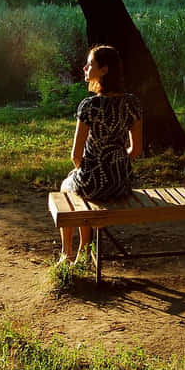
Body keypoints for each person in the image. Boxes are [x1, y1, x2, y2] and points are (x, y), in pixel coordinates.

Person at [59, 44, 143, 263]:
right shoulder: (132, 103)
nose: (85, 67)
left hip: (94, 182)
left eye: (90, 64)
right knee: (80, 187)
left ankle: (67, 253)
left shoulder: (89, 106)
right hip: (121, 182)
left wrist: (89, 170)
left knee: (67, 187)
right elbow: (136, 150)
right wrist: (114, 163)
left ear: (104, 70)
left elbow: (76, 156)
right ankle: (84, 251)